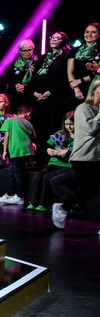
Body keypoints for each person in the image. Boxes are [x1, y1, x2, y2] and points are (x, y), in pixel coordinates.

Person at [52, 86, 100, 229]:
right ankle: (62, 208)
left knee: (91, 191)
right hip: (84, 157)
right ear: (94, 90)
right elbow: (90, 129)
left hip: (98, 157)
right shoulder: (84, 108)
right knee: (88, 191)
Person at [30, 31, 72, 161]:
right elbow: (34, 77)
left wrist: (50, 92)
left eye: (57, 38)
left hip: (55, 98)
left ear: (63, 41)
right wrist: (36, 92)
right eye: (52, 38)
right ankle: (40, 157)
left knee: (54, 127)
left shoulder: (66, 56)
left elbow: (65, 78)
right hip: (39, 99)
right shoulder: (43, 57)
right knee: (39, 127)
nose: (53, 40)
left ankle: (55, 157)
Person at [28, 111, 73, 212]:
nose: (69, 127)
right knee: (39, 175)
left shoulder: (80, 137)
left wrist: (67, 153)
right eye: (67, 124)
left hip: (67, 165)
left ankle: (45, 203)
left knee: (48, 177)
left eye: (72, 125)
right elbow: (47, 146)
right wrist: (49, 150)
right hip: (55, 162)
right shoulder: (60, 134)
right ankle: (34, 202)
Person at [0, 105, 36, 206]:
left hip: (17, 151)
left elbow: (6, 136)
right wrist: (30, 157)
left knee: (18, 174)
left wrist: (5, 151)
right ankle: (10, 193)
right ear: (28, 114)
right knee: (14, 172)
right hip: (25, 151)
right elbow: (31, 138)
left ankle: (19, 196)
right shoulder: (28, 123)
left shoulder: (10, 120)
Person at [67, 23, 98, 102]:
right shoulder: (75, 50)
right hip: (75, 90)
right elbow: (70, 71)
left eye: (93, 32)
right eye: (87, 32)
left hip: (94, 88)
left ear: (99, 35)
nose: (89, 34)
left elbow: (97, 72)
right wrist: (76, 88)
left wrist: (80, 81)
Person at [4, 39, 37, 110]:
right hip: (16, 97)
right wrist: (15, 85)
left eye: (29, 50)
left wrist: (26, 87)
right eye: (24, 50)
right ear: (19, 51)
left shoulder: (39, 62)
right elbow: (8, 79)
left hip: (33, 97)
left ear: (33, 49)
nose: (27, 52)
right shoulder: (13, 63)